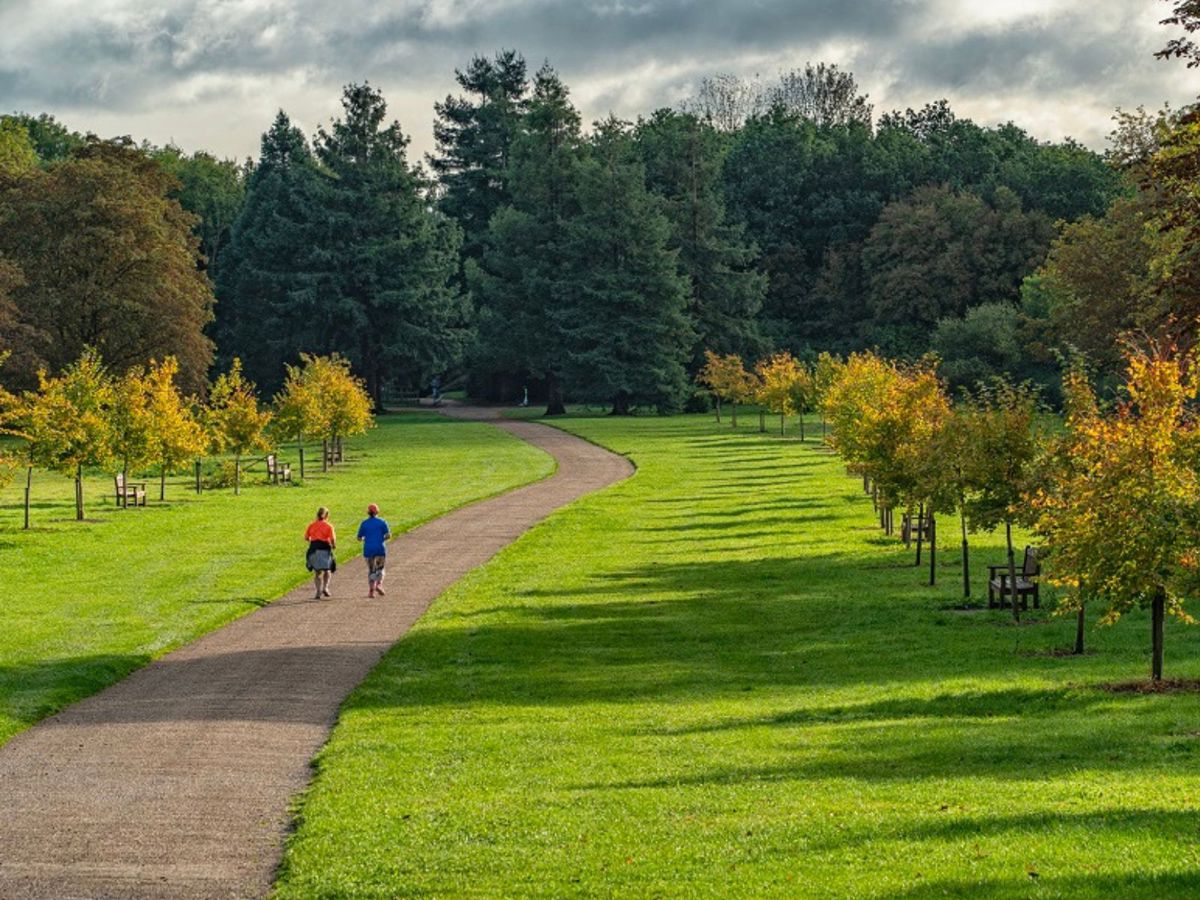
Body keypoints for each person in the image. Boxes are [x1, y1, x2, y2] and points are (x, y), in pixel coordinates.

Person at [356, 503, 391, 598]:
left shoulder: (364, 523)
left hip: (368, 549)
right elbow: (388, 535)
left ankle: (371, 590)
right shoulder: (382, 522)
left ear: (368, 513)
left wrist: (365, 539)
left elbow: (359, 537)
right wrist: (381, 539)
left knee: (371, 570)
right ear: (377, 512)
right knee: (380, 569)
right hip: (380, 548)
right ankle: (379, 584)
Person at [304, 507, 336, 599]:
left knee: (317, 572)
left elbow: (306, 537)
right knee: (327, 569)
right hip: (325, 548)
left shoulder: (312, 525)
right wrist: (333, 545)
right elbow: (333, 539)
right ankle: (325, 588)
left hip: (314, 548)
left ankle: (318, 591)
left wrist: (313, 539)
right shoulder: (329, 526)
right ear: (326, 516)